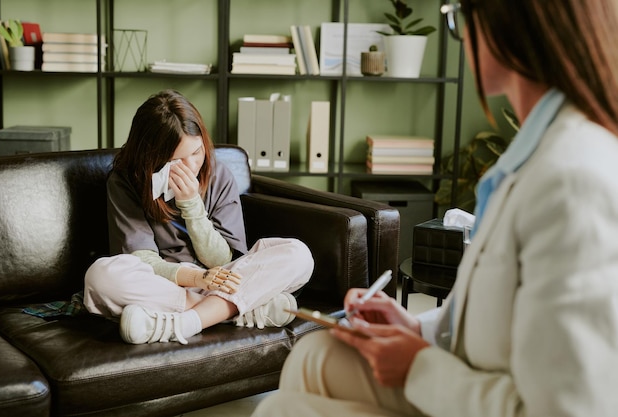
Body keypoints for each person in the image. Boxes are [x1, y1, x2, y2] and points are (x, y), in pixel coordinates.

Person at [252, 1, 618, 416]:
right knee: (314, 355)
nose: (460, 32)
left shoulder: (573, 183)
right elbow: (497, 307)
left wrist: (418, 367)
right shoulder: (533, 155)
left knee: (277, 410)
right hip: (474, 380)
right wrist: (418, 329)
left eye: (461, 13)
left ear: (510, 20)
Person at [83, 89, 314, 345]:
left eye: (196, 152)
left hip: (223, 276)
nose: (191, 166)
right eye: (177, 160)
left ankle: (184, 322)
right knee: (99, 276)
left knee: (298, 254)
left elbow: (223, 259)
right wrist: (196, 278)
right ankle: (235, 311)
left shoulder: (218, 174)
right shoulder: (125, 181)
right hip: (167, 283)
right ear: (152, 159)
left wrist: (192, 205)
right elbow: (142, 260)